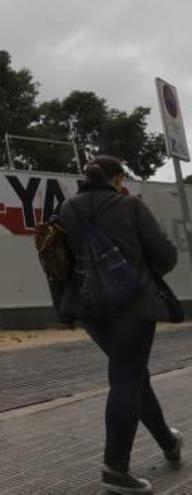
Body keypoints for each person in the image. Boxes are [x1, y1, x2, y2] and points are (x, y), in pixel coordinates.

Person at [57, 155, 182, 495]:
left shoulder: (67, 209)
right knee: (127, 379)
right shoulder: (130, 207)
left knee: (134, 376)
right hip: (132, 306)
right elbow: (165, 255)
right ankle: (115, 470)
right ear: (116, 178)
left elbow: (58, 262)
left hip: (90, 310)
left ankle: (169, 442)